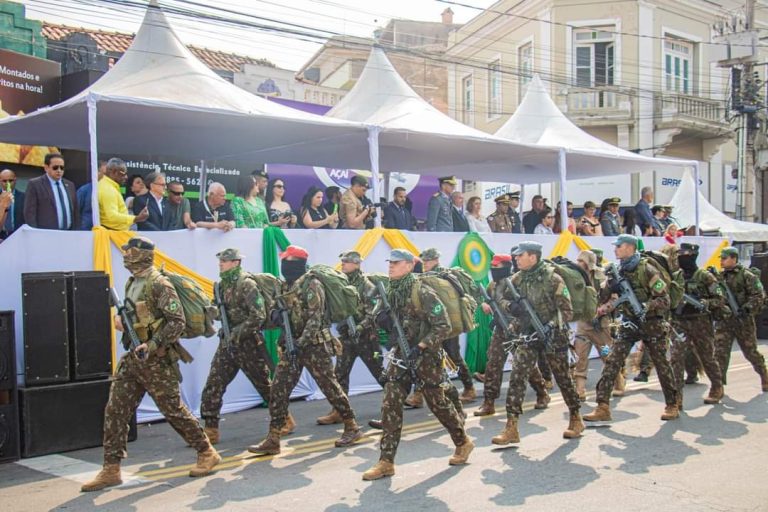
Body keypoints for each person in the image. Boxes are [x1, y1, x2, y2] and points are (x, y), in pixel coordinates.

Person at [80, 236, 220, 492]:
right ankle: (111, 468)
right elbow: (140, 317)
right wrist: (124, 324)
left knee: (173, 411)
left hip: (156, 360)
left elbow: (176, 321)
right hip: (134, 358)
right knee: (115, 410)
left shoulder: (159, 283)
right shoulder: (134, 282)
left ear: (142, 254)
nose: (126, 255)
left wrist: (153, 345)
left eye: (130, 251)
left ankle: (206, 451)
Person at [362, 249, 473, 480]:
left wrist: (421, 346)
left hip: (426, 356)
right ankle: (386, 461)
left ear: (410, 265)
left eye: (396, 262)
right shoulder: (390, 291)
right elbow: (380, 319)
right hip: (401, 354)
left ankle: (462, 442)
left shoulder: (422, 291)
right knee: (390, 404)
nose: (391, 266)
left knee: (438, 404)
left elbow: (442, 326)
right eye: (389, 262)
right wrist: (381, 321)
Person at [248, 245, 362, 456]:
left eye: (288, 260)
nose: (284, 264)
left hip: (314, 345)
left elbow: (316, 317)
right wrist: (274, 317)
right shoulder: (285, 286)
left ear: (298, 263)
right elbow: (277, 310)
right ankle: (273, 437)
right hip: (291, 346)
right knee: (278, 389)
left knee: (330, 387)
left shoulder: (312, 284)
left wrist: (301, 343)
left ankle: (352, 426)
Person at [491, 242, 583, 446]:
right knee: (517, 376)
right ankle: (511, 426)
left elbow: (567, 311)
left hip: (553, 335)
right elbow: (500, 301)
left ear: (533, 257)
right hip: (528, 335)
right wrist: (513, 307)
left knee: (563, 378)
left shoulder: (553, 278)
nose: (516, 259)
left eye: (520, 255)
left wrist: (550, 325)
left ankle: (576, 417)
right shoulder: (516, 279)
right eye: (515, 256)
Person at [201, 249, 294, 444]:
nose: (221, 264)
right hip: (228, 342)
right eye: (220, 260)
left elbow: (258, 315)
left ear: (236, 263)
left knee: (264, 385)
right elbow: (220, 312)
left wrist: (237, 332)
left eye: (225, 261)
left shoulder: (247, 284)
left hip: (248, 342)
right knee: (214, 383)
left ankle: (284, 419)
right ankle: (210, 428)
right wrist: (212, 312)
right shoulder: (220, 286)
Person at [584, 234, 680, 423]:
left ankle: (672, 404)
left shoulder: (647, 269)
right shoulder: (618, 270)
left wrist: (646, 306)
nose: (615, 249)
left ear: (629, 247)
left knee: (661, 364)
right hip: (629, 322)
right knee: (612, 361)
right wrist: (610, 283)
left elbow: (664, 299)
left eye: (619, 246)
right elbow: (603, 297)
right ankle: (602, 406)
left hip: (651, 322)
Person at [475, 253, 549, 416]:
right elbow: (489, 299)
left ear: (506, 267)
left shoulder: (516, 283)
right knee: (493, 363)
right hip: (501, 329)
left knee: (525, 364)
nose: (493, 269)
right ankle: (489, 402)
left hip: (518, 329)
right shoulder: (493, 285)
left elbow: (527, 307)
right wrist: (486, 305)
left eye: (497, 267)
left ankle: (542, 392)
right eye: (492, 267)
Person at [316, 251, 385, 425]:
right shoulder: (340, 283)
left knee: (380, 374)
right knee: (340, 374)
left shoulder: (367, 285)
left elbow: (373, 312)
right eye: (343, 261)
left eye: (347, 262)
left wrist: (361, 327)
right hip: (347, 336)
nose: (343, 264)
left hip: (366, 338)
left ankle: (392, 406)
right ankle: (339, 411)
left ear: (356, 264)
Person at [407, 248, 475, 404]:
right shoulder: (424, 277)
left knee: (454, 356)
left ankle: (469, 387)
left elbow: (459, 296)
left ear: (436, 260)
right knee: (424, 358)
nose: (425, 264)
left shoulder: (446, 275)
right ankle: (418, 395)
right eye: (424, 261)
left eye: (428, 261)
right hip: (431, 325)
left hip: (448, 324)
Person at [670, 243, 725, 407]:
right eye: (679, 254)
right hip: (680, 322)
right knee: (676, 358)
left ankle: (717, 387)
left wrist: (704, 303)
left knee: (707, 357)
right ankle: (675, 397)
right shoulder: (676, 276)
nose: (680, 257)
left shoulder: (705, 276)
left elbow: (720, 299)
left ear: (693, 255)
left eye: (684, 254)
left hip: (700, 321)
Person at [571, 250, 624, 400]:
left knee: (607, 354)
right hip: (583, 324)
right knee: (580, 357)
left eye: (582, 261)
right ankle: (580, 390)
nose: (579, 264)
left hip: (600, 325)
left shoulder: (603, 278)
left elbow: (614, 299)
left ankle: (619, 381)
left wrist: (603, 309)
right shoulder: (576, 277)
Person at [714, 246, 768, 392]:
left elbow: (759, 295)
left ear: (734, 258)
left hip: (743, 321)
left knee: (750, 352)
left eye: (725, 258)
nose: (722, 262)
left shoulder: (747, 276)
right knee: (720, 354)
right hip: (724, 321)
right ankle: (718, 387)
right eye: (721, 258)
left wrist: (748, 308)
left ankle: (764, 375)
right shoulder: (720, 277)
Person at [24, 153, 80, 231]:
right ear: (46, 168)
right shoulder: (35, 184)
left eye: (62, 168)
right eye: (55, 167)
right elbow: (30, 213)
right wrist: (35, 234)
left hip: (68, 233)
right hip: (46, 234)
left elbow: (75, 212)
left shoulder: (70, 185)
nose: (59, 170)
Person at [98, 158, 149, 231]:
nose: (126, 177)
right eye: (123, 174)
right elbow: (112, 216)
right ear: (114, 172)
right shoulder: (107, 189)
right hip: (113, 235)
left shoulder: (109, 186)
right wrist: (136, 218)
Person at [76, 161, 105, 231]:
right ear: (96, 172)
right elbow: (76, 212)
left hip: (105, 233)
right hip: (86, 233)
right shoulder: (84, 190)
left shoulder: (111, 191)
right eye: (105, 174)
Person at [0, 169, 25, 239]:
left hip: (18, 236)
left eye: (10, 181)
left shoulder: (24, 197)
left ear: (15, 180)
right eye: (4, 181)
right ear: (0, 181)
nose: (8, 183)